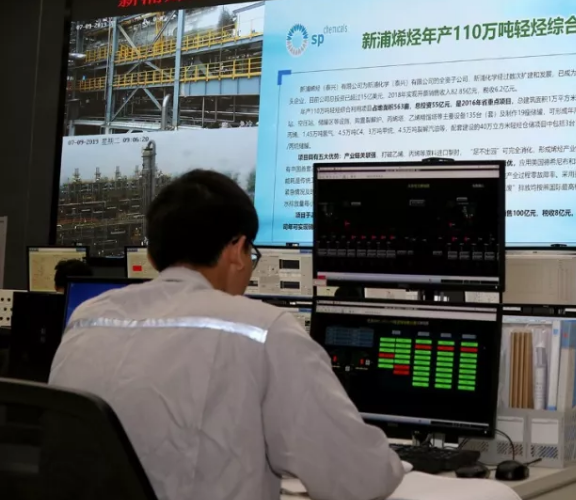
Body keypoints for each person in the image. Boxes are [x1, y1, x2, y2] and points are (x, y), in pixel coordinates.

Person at [50, 170, 404, 500]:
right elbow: (360, 478)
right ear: (237, 250)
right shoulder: (265, 330)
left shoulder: (87, 317)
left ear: (153, 258)